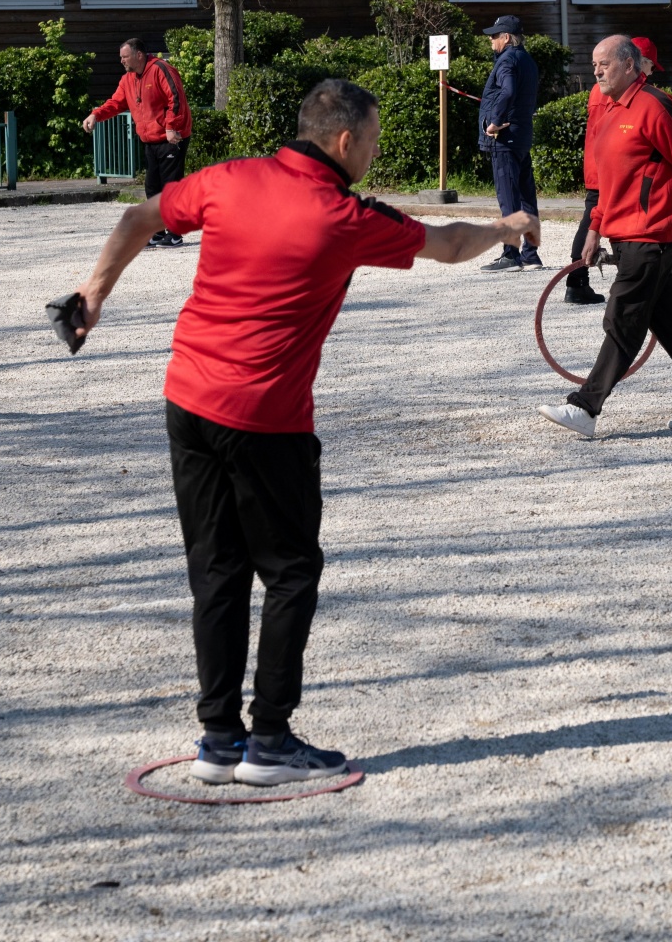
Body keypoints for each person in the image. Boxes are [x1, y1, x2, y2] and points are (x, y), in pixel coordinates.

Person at [71, 78, 540, 786]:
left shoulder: (229, 179)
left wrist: (93, 295)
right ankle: (270, 742)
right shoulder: (341, 216)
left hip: (188, 400)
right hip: (265, 418)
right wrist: (507, 228)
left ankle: (218, 740)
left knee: (218, 572)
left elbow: (139, 218)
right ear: (345, 142)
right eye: (374, 142)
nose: (375, 153)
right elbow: (445, 245)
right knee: (290, 572)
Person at [538, 36, 672, 438]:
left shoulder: (656, 107)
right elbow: (611, 181)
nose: (596, 71)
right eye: (594, 64)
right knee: (669, 321)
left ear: (630, 65)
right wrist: (595, 226)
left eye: (604, 63)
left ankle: (586, 407)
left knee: (623, 317)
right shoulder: (609, 109)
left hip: (653, 234)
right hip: (624, 233)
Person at [565, 36, 672, 304]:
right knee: (623, 320)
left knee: (668, 320)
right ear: (633, 63)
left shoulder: (637, 98)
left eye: (602, 64)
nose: (651, 71)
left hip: (615, 180)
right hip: (610, 174)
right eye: (651, 65)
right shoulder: (617, 95)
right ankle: (577, 280)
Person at [83, 38, 192, 248]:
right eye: (121, 57)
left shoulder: (161, 69)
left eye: (125, 57)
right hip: (150, 139)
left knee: (170, 187)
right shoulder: (128, 79)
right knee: (152, 187)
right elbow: (116, 103)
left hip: (171, 137)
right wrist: (95, 114)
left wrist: (171, 126)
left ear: (138, 55)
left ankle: (175, 234)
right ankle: (158, 231)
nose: (122, 61)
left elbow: (176, 98)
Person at [477, 15, 543, 271]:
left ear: (506, 37)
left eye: (494, 35)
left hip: (504, 138)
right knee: (527, 196)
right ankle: (531, 254)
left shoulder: (507, 60)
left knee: (508, 197)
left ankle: (511, 255)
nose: (491, 40)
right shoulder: (527, 60)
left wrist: (494, 121)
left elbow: (508, 91)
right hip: (522, 135)